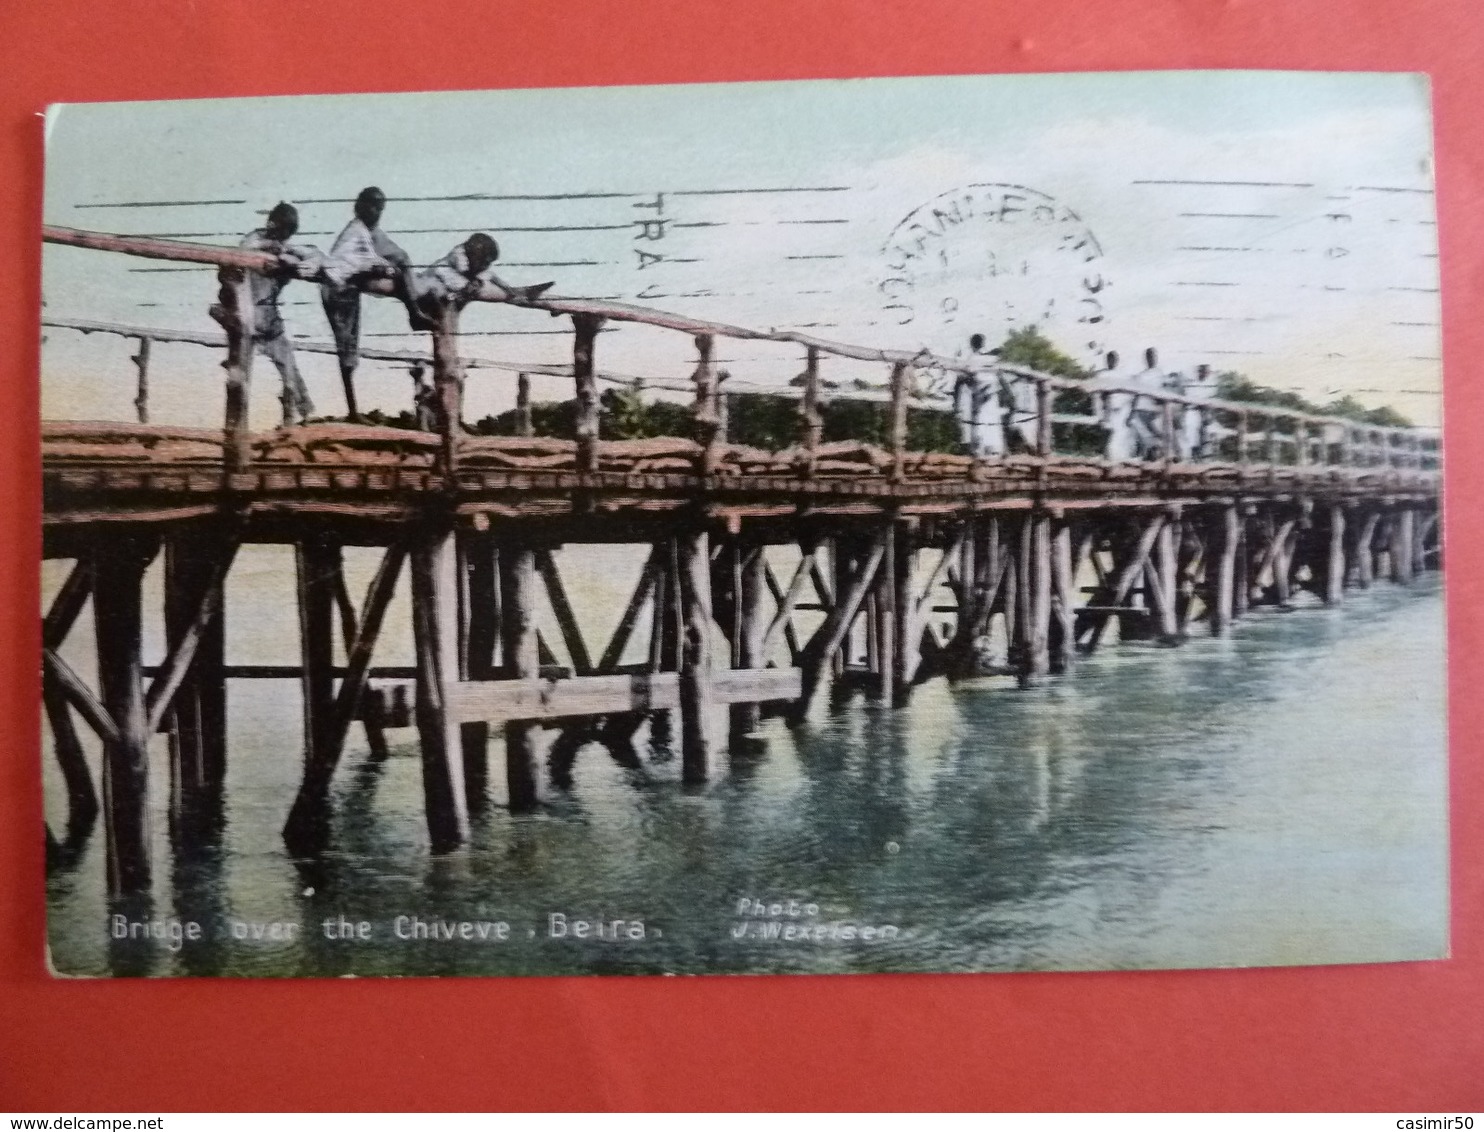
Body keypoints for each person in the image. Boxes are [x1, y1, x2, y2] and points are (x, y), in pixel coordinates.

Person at [320, 187, 422, 421]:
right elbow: (345, 261)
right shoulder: (355, 231)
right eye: (372, 206)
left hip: (350, 287)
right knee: (346, 350)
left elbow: (390, 257)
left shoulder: (370, 233)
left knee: (349, 350)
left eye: (380, 208)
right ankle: (353, 411)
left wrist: (382, 266)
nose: (376, 211)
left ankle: (414, 311)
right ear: (359, 206)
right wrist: (375, 267)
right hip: (338, 290)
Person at [222, 201, 317, 425]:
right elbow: (242, 251)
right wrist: (267, 245)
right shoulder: (254, 239)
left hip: (269, 317)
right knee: (239, 375)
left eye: (289, 233)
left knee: (289, 367)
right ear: (274, 224)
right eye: (283, 230)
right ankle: (236, 425)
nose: (285, 237)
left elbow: (311, 255)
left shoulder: (284, 248)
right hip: (246, 315)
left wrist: (290, 255)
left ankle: (303, 417)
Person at [408, 232, 553, 324]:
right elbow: (464, 274)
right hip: (435, 285)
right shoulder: (458, 255)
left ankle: (521, 292)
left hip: (451, 290)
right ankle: (519, 293)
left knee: (480, 284)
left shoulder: (475, 264)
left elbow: (489, 275)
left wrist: (507, 287)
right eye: (485, 262)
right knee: (469, 286)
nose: (485, 266)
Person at [954, 333, 1006, 458]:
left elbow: (961, 380)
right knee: (989, 427)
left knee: (978, 426)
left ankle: (978, 453)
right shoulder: (991, 360)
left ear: (971, 344)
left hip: (977, 397)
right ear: (983, 344)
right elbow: (999, 378)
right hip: (990, 397)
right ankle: (990, 453)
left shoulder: (971, 360)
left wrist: (957, 400)